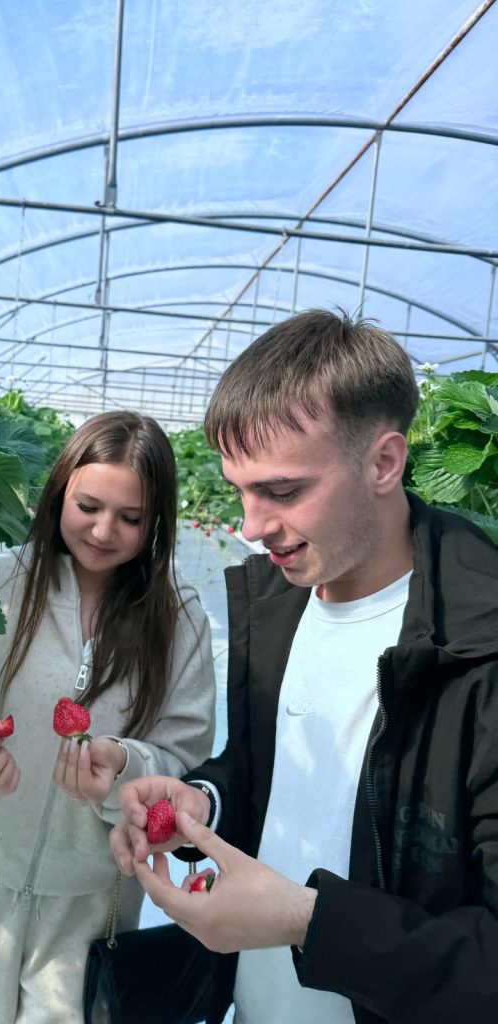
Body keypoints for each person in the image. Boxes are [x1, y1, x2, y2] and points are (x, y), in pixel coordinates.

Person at [110, 309, 498, 1024]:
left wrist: (308, 921)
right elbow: (272, 774)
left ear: (384, 463)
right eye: (239, 489)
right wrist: (205, 800)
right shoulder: (278, 605)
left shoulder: (478, 648)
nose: (251, 526)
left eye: (283, 492)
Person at [0, 410, 216, 1024]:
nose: (103, 530)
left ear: (158, 521)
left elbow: (186, 756)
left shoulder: (178, 621)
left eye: (132, 518)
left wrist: (125, 768)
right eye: (88, 505)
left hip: (93, 904)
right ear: (59, 491)